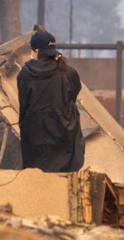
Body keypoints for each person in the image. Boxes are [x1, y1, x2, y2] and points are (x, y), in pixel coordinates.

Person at [17, 27, 84, 172]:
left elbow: (24, 102)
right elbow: (74, 93)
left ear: (35, 51)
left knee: (38, 178)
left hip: (35, 136)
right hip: (64, 133)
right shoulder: (68, 72)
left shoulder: (25, 73)